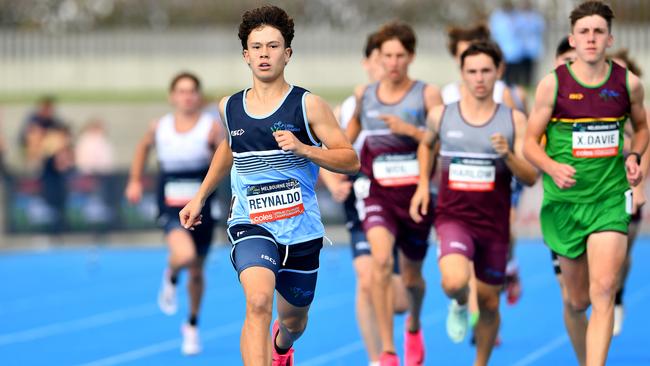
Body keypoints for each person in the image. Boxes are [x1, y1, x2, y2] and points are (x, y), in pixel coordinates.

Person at [179, 6, 359, 366]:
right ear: (246, 55)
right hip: (251, 223)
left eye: (273, 46)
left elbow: (350, 159)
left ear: (287, 53)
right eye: (256, 47)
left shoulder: (308, 106)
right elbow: (229, 148)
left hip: (301, 229)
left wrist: (304, 148)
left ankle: (282, 346)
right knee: (258, 302)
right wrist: (200, 196)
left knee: (294, 321)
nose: (264, 54)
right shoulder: (229, 107)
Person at [523, 2, 648, 364]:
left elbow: (642, 129)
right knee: (577, 300)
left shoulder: (628, 84)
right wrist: (552, 167)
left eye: (598, 32)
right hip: (565, 203)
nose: (591, 39)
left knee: (604, 290)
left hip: (609, 199)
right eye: (584, 32)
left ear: (609, 38)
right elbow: (529, 143)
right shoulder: (552, 86)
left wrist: (633, 156)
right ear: (572, 39)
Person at [410, 41, 536, 366]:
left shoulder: (514, 120)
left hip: (494, 225)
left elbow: (530, 176)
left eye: (486, 71)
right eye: (472, 71)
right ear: (462, 73)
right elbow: (426, 146)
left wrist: (507, 154)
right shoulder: (443, 115)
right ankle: (460, 302)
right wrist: (424, 184)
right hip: (454, 217)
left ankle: (480, 361)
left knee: (491, 303)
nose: (479, 78)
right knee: (453, 282)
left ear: (498, 72)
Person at [346, 21, 442, 366]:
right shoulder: (365, 95)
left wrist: (409, 130)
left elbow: (439, 141)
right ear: (379, 57)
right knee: (381, 263)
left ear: (411, 56)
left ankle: (413, 324)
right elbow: (345, 140)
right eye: (387, 55)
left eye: (400, 55)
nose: (393, 62)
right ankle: (388, 351)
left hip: (416, 197)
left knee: (413, 278)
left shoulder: (427, 94)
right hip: (378, 196)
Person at [321, 31, 409, 366]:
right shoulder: (349, 106)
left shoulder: (411, 102)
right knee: (366, 277)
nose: (385, 66)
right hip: (362, 196)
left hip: (400, 197)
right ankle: (377, 358)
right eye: (378, 59)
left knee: (399, 298)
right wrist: (333, 182)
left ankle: (410, 323)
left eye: (392, 58)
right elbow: (329, 153)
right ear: (367, 63)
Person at [125, 71, 224, 355]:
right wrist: (134, 180)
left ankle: (192, 325)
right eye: (181, 91)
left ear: (198, 96)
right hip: (170, 204)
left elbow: (222, 159)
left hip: (202, 204)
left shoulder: (210, 127)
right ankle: (171, 274)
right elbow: (142, 149)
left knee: (197, 271)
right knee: (185, 256)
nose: (186, 96)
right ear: (172, 97)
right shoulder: (160, 127)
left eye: (192, 91)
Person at [608, 48, 650, 337]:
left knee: (621, 253)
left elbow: (645, 153)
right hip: (599, 190)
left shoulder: (638, 112)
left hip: (627, 189)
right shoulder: (596, 107)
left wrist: (637, 188)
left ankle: (617, 296)